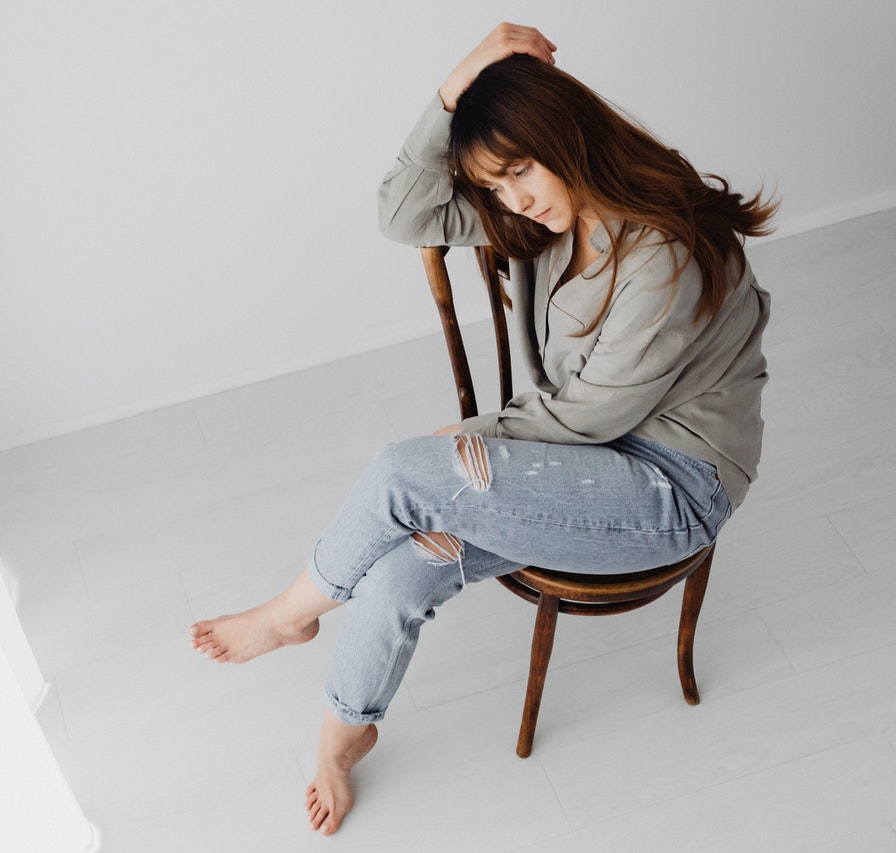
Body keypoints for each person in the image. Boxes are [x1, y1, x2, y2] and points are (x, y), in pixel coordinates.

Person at [189, 22, 774, 836]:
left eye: (520, 171)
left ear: (563, 137)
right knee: (402, 567)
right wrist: (458, 84)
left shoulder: (663, 250)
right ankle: (343, 728)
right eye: (496, 187)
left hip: (668, 486)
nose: (513, 200)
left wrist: (473, 436)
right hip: (579, 464)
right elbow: (403, 210)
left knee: (405, 473)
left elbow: (593, 411)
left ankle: (288, 613)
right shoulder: (543, 221)